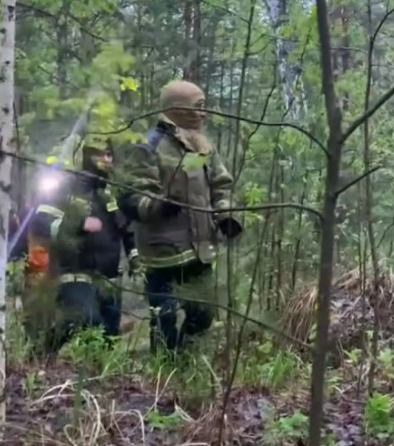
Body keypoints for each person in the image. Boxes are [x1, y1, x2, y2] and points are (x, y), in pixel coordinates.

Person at [115, 80, 243, 353]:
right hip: (162, 256)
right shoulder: (149, 147)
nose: (203, 113)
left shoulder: (202, 145)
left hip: (199, 251)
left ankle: (184, 361)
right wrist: (159, 206)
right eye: (198, 107)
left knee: (203, 314)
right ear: (179, 109)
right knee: (164, 318)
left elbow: (221, 184)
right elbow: (131, 196)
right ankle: (164, 374)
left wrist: (226, 216)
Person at [28, 137, 137, 354]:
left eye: (110, 154)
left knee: (109, 336)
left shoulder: (110, 191)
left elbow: (126, 228)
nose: (107, 159)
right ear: (86, 156)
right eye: (101, 154)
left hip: (110, 277)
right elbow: (42, 223)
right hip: (75, 272)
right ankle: (42, 353)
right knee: (86, 319)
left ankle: (99, 381)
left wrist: (134, 256)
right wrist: (78, 224)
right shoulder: (65, 188)